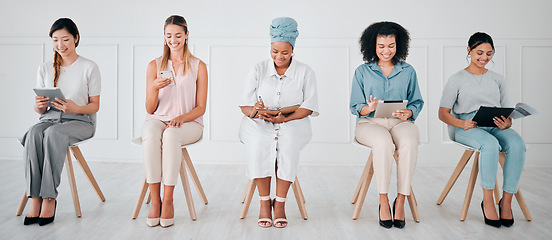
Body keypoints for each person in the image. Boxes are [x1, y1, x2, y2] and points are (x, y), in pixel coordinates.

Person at [439, 32, 525, 228]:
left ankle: (506, 202)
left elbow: (507, 111)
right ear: (469, 51)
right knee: (490, 145)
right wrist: (462, 124)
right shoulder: (456, 79)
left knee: (518, 144)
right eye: (479, 53)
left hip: (495, 125)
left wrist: (508, 122)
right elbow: (443, 113)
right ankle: (487, 201)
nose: (484, 58)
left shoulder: (498, 79)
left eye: (489, 53)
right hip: (466, 127)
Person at [239, 17, 319, 228]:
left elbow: (308, 107)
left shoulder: (305, 71)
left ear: (293, 49)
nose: (279, 56)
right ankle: (265, 202)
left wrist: (286, 118)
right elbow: (245, 106)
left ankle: (281, 204)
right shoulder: (258, 68)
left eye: (284, 52)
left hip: (293, 122)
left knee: (289, 143)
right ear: (270, 47)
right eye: (274, 51)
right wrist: (257, 112)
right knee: (258, 143)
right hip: (259, 122)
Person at [20, 18, 101, 226]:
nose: (60, 45)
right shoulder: (45, 68)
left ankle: (49, 197)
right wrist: (39, 105)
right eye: (55, 40)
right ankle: (34, 197)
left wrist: (75, 108)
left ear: (75, 38)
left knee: (53, 134)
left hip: (80, 121)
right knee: (33, 133)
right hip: (49, 118)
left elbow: (94, 106)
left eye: (65, 39)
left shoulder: (89, 67)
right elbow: (39, 110)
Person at [350, 21, 424, 229]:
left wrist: (409, 112)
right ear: (372, 46)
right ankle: (383, 200)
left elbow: (417, 102)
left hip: (401, 122)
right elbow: (355, 106)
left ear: (398, 45)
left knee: (409, 143)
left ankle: (400, 200)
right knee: (383, 144)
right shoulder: (362, 71)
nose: (386, 50)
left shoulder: (408, 71)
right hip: (369, 122)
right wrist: (369, 106)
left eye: (391, 45)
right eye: (381, 46)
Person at [140, 15, 207, 228]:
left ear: (187, 35)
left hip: (189, 123)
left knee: (170, 135)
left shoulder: (199, 66)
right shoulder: (154, 65)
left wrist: (181, 118)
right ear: (164, 37)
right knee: (150, 133)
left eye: (178, 35)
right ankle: (155, 200)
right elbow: (150, 109)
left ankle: (168, 200)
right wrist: (154, 88)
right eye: (169, 35)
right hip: (159, 119)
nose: (173, 40)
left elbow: (201, 107)